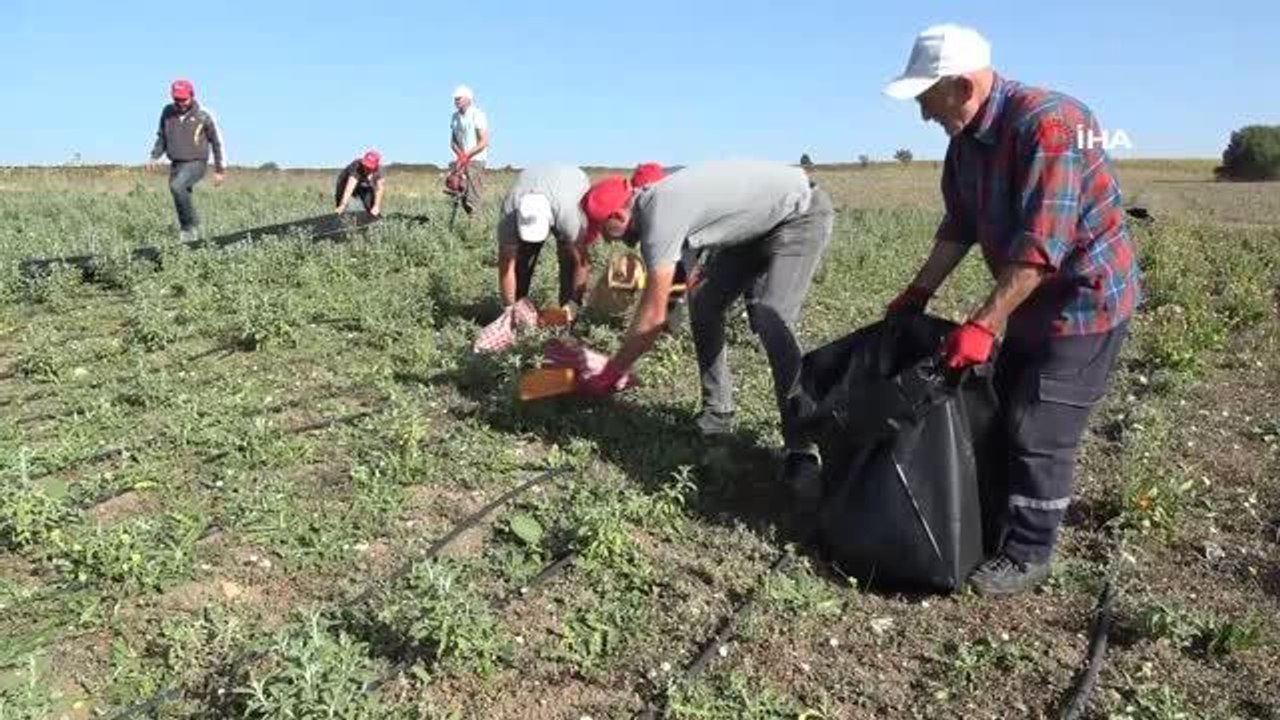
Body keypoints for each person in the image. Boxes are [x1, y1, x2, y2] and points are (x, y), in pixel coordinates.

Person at [882, 24, 1141, 595]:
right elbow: (959, 225)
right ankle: (999, 523)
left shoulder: (1052, 124)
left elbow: (1043, 246)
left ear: (960, 85)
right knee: (1005, 406)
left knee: (1040, 424)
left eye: (927, 100)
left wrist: (982, 323)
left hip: (1082, 300)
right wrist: (918, 292)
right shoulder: (966, 143)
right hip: (1027, 297)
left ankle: (1029, 552)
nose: (924, 115)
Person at [576, 159, 834, 492]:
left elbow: (653, 316)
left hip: (800, 214)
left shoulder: (658, 215)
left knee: (774, 317)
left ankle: (802, 448)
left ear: (618, 216)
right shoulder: (654, 202)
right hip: (754, 230)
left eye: (604, 233)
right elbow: (667, 294)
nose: (608, 242)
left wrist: (611, 374)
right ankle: (718, 414)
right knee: (706, 305)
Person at [496, 163, 592, 316]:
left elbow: (582, 263)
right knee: (522, 258)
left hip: (572, 185)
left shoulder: (569, 214)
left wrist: (574, 302)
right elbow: (506, 264)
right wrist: (508, 306)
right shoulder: (510, 212)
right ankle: (519, 311)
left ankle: (568, 313)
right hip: (539, 187)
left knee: (569, 258)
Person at [148, 79, 226, 242]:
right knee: (181, 195)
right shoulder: (167, 112)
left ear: (192, 96)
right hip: (176, 163)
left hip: (197, 162)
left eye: (183, 99)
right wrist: (155, 155)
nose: (180, 103)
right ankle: (194, 234)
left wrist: (219, 170)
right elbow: (162, 136)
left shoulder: (204, 115)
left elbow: (216, 142)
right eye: (176, 99)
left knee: (177, 186)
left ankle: (188, 228)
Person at [449, 84, 490, 216]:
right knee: (461, 194)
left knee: (473, 197)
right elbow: (453, 141)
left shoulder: (477, 115)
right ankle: (472, 223)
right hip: (461, 160)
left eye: (459, 98)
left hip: (476, 160)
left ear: (468, 99)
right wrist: (460, 156)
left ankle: (478, 230)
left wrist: (467, 155)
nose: (456, 101)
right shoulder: (454, 117)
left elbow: (483, 142)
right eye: (455, 99)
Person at [334, 150, 385, 217]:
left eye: (369, 167)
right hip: (344, 183)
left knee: (370, 206)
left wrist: (376, 206)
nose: (366, 168)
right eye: (365, 166)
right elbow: (350, 188)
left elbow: (379, 188)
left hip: (363, 184)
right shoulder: (356, 166)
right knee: (344, 207)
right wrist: (343, 204)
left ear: (375, 166)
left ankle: (373, 221)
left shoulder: (379, 170)